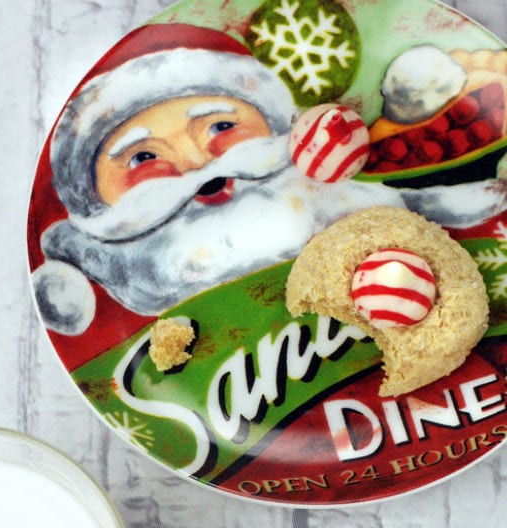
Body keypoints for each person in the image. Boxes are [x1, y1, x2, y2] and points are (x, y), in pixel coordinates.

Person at [31, 24, 507, 335]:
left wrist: (467, 199)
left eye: (219, 126)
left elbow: (404, 206)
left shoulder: (317, 183)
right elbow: (74, 266)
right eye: (143, 157)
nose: (198, 163)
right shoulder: (127, 258)